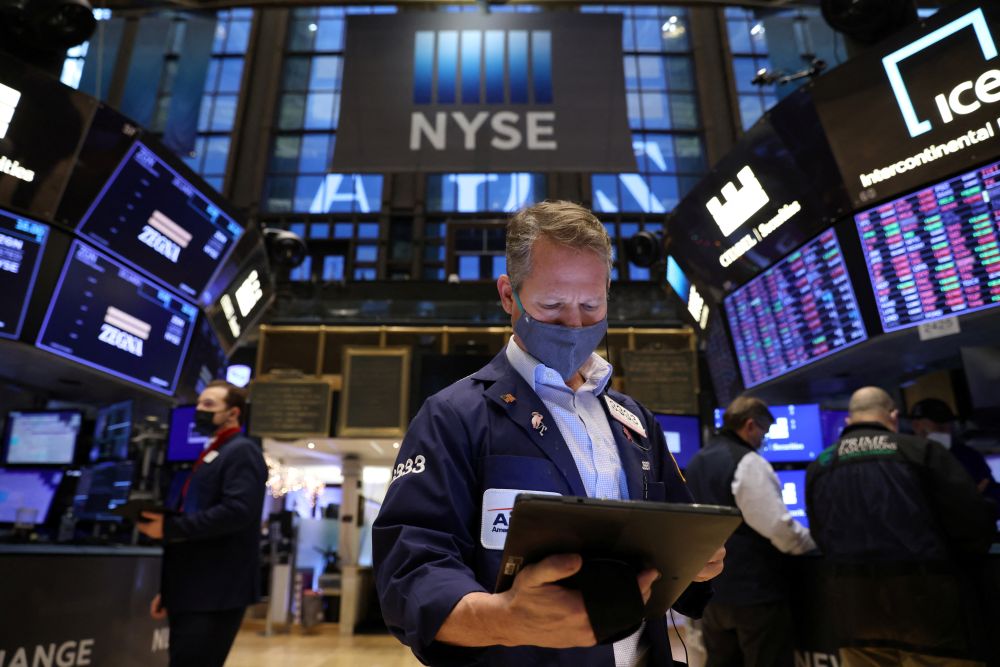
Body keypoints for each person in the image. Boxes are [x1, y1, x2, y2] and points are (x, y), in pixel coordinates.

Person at [373, 201, 726, 667]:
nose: (575, 325)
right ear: (508, 296)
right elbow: (411, 571)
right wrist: (503, 619)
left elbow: (682, 554)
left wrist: (699, 563)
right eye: (552, 306)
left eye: (591, 305)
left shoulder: (635, 421)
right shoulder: (452, 417)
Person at [806, 387, 996, 667]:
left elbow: (820, 536)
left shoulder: (820, 466)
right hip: (928, 609)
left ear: (849, 420)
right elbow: (972, 524)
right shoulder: (920, 451)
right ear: (893, 416)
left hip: (853, 613)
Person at [137, 380, 268, 667]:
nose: (199, 410)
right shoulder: (213, 453)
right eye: (198, 403)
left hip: (215, 592)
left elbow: (238, 511)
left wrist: (169, 528)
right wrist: (171, 589)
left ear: (233, 413)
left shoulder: (241, 451)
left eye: (209, 405)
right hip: (192, 588)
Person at [684, 396, 816, 667]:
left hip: (712, 594)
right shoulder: (747, 462)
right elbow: (778, 527)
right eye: (764, 433)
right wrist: (810, 545)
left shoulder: (698, 459)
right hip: (755, 595)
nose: (763, 441)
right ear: (750, 425)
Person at [908, 398, 1000, 506]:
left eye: (948, 426)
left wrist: (980, 502)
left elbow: (992, 492)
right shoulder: (905, 460)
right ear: (916, 426)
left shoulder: (968, 456)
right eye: (939, 427)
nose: (946, 431)